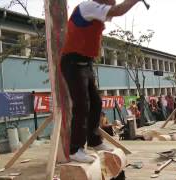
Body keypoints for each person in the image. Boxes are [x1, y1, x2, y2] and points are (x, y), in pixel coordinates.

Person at [60, 0, 141, 163]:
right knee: (82, 105)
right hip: (73, 63)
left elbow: (114, 10)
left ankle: (94, 141)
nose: (114, 1)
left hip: (86, 63)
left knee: (96, 103)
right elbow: (118, 10)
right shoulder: (88, 6)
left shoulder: (97, 11)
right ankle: (75, 149)